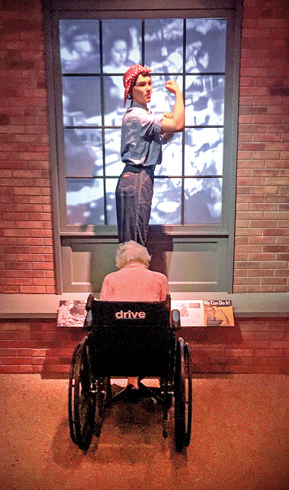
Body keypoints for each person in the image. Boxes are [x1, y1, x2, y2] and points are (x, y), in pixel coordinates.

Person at [116, 64, 185, 246]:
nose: (148, 88)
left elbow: (163, 138)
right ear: (131, 90)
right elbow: (178, 125)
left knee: (137, 236)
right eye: (141, 85)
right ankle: (132, 274)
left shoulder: (145, 114)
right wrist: (178, 93)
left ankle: (135, 273)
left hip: (142, 176)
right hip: (136, 177)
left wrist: (167, 127)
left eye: (149, 83)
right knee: (133, 240)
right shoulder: (137, 116)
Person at [100, 240, 170, 389]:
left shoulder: (110, 279)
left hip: (115, 350)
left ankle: (131, 379)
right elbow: (164, 313)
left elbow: (103, 314)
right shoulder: (160, 279)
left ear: (121, 259)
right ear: (145, 258)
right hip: (152, 350)